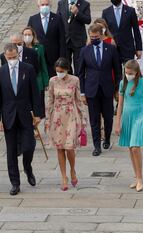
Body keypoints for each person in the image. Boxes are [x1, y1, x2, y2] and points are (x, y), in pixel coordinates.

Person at [0, 43, 44, 196]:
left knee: (29, 146)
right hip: (8, 116)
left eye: (14, 57)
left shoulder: (28, 69)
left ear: (18, 55)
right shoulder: (0, 72)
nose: (12, 60)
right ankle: (15, 183)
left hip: (25, 114)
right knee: (11, 151)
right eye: (9, 58)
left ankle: (27, 168)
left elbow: (35, 93)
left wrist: (37, 114)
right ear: (5, 57)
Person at [78, 24, 122, 157]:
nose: (94, 39)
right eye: (91, 37)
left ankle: (107, 138)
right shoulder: (85, 50)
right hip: (91, 90)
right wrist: (82, 92)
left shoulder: (111, 49)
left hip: (107, 89)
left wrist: (117, 89)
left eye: (96, 37)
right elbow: (81, 73)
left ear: (102, 35)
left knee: (108, 118)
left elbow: (118, 71)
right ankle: (97, 145)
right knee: (94, 119)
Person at [45, 58, 86, 191]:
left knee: (69, 147)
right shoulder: (52, 81)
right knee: (60, 147)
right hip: (57, 116)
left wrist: (83, 119)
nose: (59, 73)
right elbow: (50, 100)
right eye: (57, 71)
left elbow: (78, 100)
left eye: (61, 71)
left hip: (70, 115)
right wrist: (47, 119)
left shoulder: (75, 80)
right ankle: (63, 176)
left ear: (67, 69)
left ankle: (72, 170)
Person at [115, 59, 143, 192]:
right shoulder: (122, 83)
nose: (128, 75)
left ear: (137, 73)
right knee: (131, 148)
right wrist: (117, 123)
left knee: (136, 147)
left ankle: (140, 178)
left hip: (140, 117)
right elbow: (120, 104)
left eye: (130, 73)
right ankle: (136, 177)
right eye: (126, 72)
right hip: (127, 117)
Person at [0, 33, 42, 115]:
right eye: (14, 44)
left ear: (23, 42)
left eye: (19, 44)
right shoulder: (3, 56)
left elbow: (36, 70)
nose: (16, 46)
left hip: (26, 93)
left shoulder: (32, 53)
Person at [28, 0, 66, 78]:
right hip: (38, 56)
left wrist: (62, 57)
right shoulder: (33, 19)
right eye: (42, 4)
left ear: (50, 6)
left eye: (47, 4)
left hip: (54, 57)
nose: (45, 6)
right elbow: (29, 36)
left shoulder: (57, 18)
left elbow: (62, 39)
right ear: (38, 6)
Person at [102, 0, 142, 64]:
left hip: (128, 48)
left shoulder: (130, 11)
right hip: (113, 49)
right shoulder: (106, 12)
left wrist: (139, 48)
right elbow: (104, 32)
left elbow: (136, 30)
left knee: (129, 71)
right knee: (117, 73)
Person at [57, 0, 91, 74]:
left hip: (79, 40)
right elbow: (58, 19)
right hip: (65, 39)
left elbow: (88, 20)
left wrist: (77, 13)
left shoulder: (85, 4)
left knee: (79, 65)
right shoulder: (61, 3)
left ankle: (78, 82)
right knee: (65, 64)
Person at [122, 0, 143, 74]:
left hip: (141, 33)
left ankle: (140, 81)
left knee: (140, 61)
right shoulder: (122, 1)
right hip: (126, 33)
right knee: (128, 62)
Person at [23, 26, 50, 111]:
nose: (27, 36)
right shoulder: (19, 49)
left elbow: (43, 65)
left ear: (33, 36)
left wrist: (46, 82)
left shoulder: (39, 48)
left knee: (39, 106)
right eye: (25, 34)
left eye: (29, 34)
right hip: (24, 80)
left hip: (38, 79)